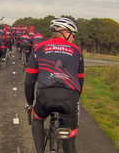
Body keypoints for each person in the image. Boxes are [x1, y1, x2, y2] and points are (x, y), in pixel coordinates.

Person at [24, 17, 84, 153]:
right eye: (73, 35)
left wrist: (29, 102)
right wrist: (74, 100)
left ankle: (40, 151)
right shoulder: (77, 51)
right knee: (70, 144)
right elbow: (80, 83)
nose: (73, 39)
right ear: (66, 33)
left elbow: (29, 81)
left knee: (38, 120)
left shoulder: (39, 47)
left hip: (45, 96)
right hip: (69, 98)